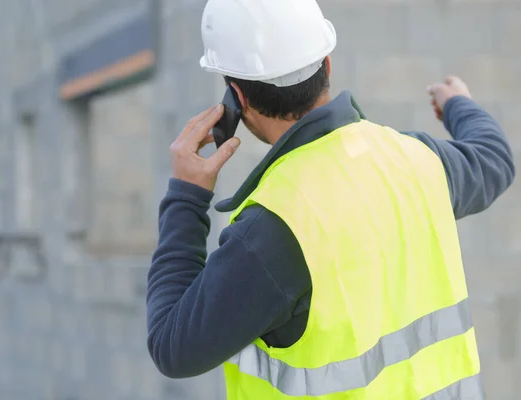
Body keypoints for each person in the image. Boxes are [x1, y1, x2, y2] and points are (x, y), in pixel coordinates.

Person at [146, 1, 515, 399]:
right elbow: (494, 159)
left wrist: (186, 195)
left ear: (238, 96)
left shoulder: (270, 231)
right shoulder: (415, 160)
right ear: (327, 63)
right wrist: (458, 103)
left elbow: (172, 346)